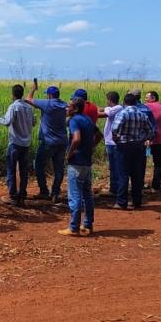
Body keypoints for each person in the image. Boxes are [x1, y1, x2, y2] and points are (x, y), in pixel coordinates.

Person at [59, 97, 103, 236]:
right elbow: (99, 135)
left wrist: (69, 154)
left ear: (76, 109)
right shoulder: (88, 119)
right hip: (86, 162)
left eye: (69, 106)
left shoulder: (74, 120)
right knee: (87, 195)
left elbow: (76, 138)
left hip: (76, 162)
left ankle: (74, 227)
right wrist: (90, 147)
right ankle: (88, 224)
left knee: (75, 195)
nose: (66, 108)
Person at [23, 81, 68, 203]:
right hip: (62, 141)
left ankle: (44, 191)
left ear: (49, 95)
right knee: (58, 168)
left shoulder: (47, 104)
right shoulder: (64, 104)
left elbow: (28, 99)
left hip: (48, 141)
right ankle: (55, 193)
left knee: (38, 164)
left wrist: (33, 89)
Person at [111, 92, 154, 210]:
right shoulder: (142, 115)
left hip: (123, 146)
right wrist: (144, 139)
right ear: (135, 102)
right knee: (137, 175)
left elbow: (114, 129)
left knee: (123, 174)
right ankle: (137, 201)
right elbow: (150, 131)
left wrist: (116, 140)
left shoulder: (122, 113)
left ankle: (121, 202)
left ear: (124, 103)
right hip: (138, 147)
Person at [0, 84, 34, 207]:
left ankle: (13, 195)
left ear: (13, 94)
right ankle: (22, 193)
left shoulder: (14, 106)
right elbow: (33, 122)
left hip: (15, 142)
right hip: (26, 143)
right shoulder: (28, 107)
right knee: (23, 170)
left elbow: (7, 122)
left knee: (11, 168)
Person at [96, 91, 124, 197]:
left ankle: (115, 189)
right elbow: (101, 109)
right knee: (113, 166)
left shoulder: (117, 108)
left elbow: (100, 114)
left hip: (114, 142)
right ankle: (114, 188)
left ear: (109, 100)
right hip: (110, 141)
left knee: (115, 166)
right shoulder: (111, 108)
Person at [145, 91, 161, 190]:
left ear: (153, 98)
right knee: (159, 162)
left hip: (153, 138)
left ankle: (148, 184)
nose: (146, 99)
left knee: (143, 162)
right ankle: (157, 183)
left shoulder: (149, 106)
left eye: (147, 97)